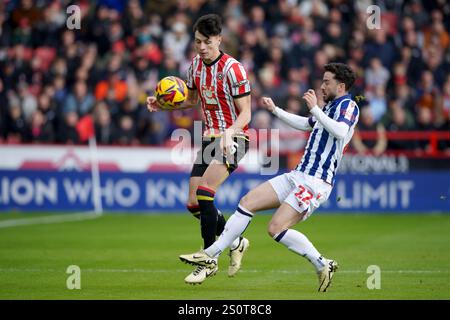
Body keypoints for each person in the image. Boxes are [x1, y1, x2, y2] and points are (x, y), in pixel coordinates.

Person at [179, 63, 359, 292]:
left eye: (327, 82)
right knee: (247, 203)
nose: (322, 85)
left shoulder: (349, 106)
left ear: (340, 85)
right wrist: (275, 110)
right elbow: (306, 125)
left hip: (316, 182)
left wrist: (315, 109)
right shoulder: (330, 106)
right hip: (298, 174)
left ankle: (322, 263)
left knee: (275, 228)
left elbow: (341, 131)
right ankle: (209, 255)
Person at [146, 14, 252, 284]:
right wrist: (164, 105)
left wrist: (230, 132)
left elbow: (246, 113)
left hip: (235, 137)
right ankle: (236, 241)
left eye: (206, 42)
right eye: (197, 42)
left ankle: (208, 259)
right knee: (194, 203)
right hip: (209, 138)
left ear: (218, 39)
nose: (201, 47)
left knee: (206, 192)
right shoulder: (194, 66)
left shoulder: (234, 69)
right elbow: (192, 99)